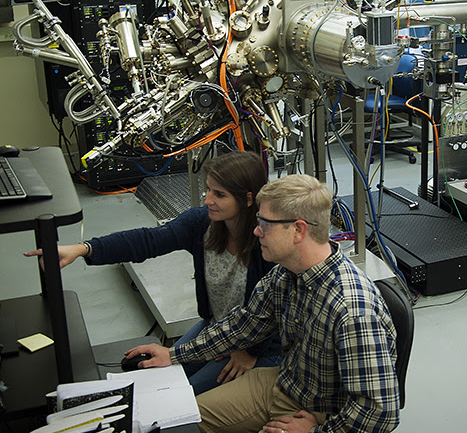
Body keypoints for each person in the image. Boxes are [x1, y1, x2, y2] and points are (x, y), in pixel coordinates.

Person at [126, 173, 400, 433]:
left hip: (323, 415)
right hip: (285, 384)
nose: (256, 231)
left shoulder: (352, 309)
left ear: (298, 230)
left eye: (264, 224)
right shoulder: (286, 274)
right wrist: (174, 355)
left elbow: (379, 413)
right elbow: (242, 327)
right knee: (183, 425)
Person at [24, 150, 281, 395]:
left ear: (248, 199)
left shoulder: (267, 244)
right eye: (208, 190)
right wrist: (84, 249)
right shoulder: (202, 223)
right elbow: (148, 241)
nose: (207, 200)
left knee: (185, 394)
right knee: (158, 377)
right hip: (215, 327)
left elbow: (275, 311)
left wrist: (250, 351)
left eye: (219, 194)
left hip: (256, 345)